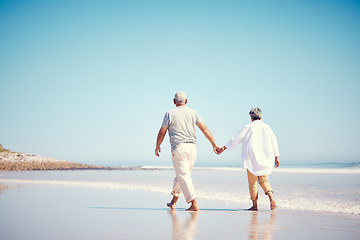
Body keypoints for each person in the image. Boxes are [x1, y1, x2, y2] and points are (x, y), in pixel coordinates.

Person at [155, 91, 220, 211]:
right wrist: (214, 144)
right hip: (192, 148)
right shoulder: (193, 113)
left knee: (183, 176)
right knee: (183, 176)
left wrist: (157, 146)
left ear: (174, 102)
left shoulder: (169, 113)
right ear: (186, 101)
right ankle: (173, 202)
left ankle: (194, 203)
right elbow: (204, 129)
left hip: (179, 148)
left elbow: (162, 132)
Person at [217, 108, 280, 211]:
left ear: (251, 117)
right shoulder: (267, 127)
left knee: (253, 183)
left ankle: (255, 206)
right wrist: (276, 157)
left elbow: (236, 138)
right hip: (265, 157)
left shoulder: (249, 127)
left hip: (252, 158)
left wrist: (223, 148)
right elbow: (274, 141)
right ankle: (271, 198)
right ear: (261, 116)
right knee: (264, 180)